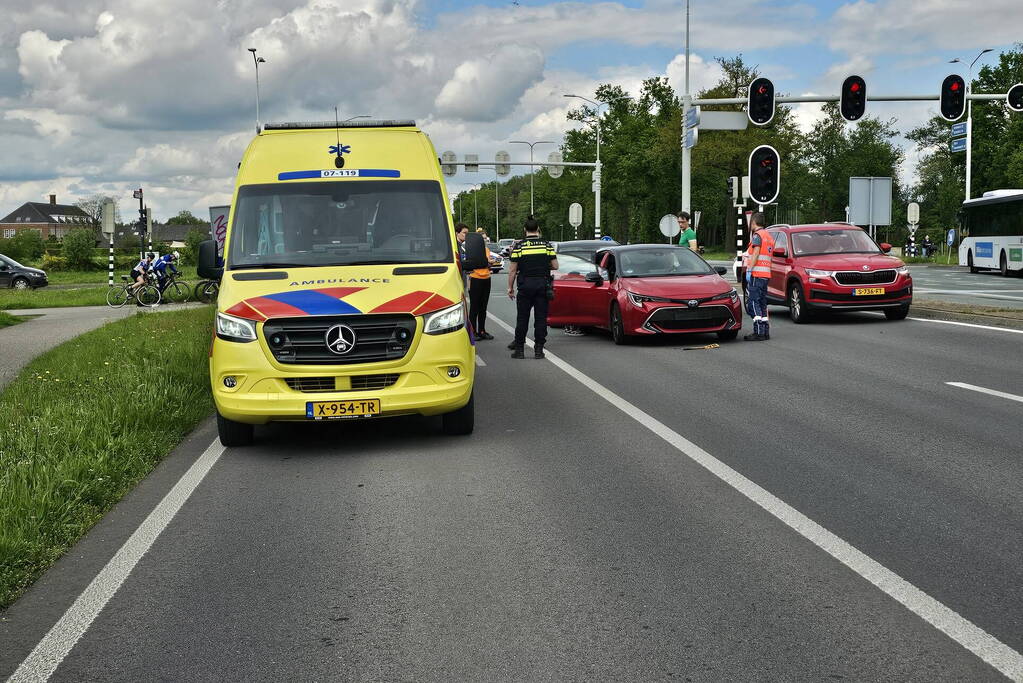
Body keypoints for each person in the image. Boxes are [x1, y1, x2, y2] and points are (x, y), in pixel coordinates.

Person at [507, 216, 558, 359]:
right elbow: (555, 266)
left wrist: (510, 288)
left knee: (522, 318)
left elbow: (512, 270)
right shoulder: (546, 245)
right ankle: (539, 350)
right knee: (541, 319)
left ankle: (520, 350)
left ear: (525, 230)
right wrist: (542, 266)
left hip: (525, 285)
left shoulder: (519, 246)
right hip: (542, 285)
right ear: (538, 229)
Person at [744, 212, 774, 341]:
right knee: (762, 303)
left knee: (753, 302)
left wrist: (750, 269)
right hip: (766, 274)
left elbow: (756, 253)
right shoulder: (769, 236)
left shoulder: (757, 236)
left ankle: (758, 331)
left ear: (753, 222)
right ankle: (765, 330)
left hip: (756, 274)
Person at [468, 241, 497, 341]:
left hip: (486, 278)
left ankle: (482, 331)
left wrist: (490, 263)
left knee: (483, 307)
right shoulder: (472, 251)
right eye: (482, 238)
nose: (484, 241)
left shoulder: (486, 250)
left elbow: (488, 262)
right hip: (475, 278)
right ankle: (473, 331)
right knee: (474, 307)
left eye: (485, 239)